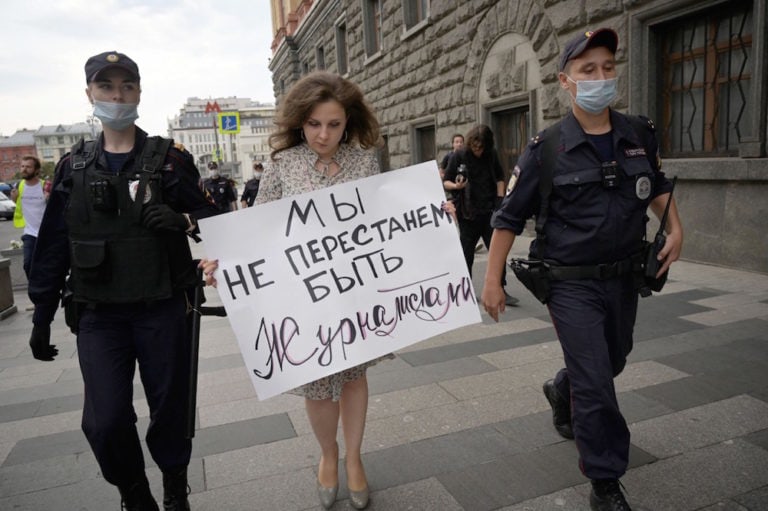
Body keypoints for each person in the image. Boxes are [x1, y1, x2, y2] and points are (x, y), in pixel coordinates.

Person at [481, 28, 683, 511]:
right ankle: (606, 481)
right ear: (565, 81)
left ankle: (561, 387)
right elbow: (508, 218)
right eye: (587, 70)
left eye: (608, 68)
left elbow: (655, 185)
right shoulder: (546, 148)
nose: (600, 77)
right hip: (569, 283)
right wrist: (492, 278)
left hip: (624, 277)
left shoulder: (637, 133)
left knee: (612, 359)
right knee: (597, 383)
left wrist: (676, 226)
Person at [26, 50, 219, 511]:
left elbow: (215, 218)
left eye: (126, 86)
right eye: (106, 87)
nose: (117, 95)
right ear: (90, 94)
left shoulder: (169, 160)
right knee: (105, 420)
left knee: (170, 409)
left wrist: (183, 219)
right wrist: (41, 315)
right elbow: (54, 245)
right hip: (99, 314)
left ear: (138, 92)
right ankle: (133, 490)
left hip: (162, 306)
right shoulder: (73, 168)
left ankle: (175, 483)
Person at [443, 125, 518, 306]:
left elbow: (500, 178)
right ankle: (465, 292)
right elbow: (446, 181)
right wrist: (457, 187)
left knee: (497, 252)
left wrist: (500, 202)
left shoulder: (491, 154)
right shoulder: (458, 155)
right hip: (467, 213)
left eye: (481, 147)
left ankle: (501, 288)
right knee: (466, 253)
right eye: (475, 147)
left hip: (489, 212)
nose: (478, 151)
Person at [11, 155, 49, 280]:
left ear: (36, 170)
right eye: (22, 166)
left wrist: (48, 198)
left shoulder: (44, 186)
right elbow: (18, 205)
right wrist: (14, 198)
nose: (24, 169)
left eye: (28, 167)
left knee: (48, 265)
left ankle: (48, 290)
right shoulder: (18, 186)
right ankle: (35, 289)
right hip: (30, 233)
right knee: (28, 263)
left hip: (47, 233)